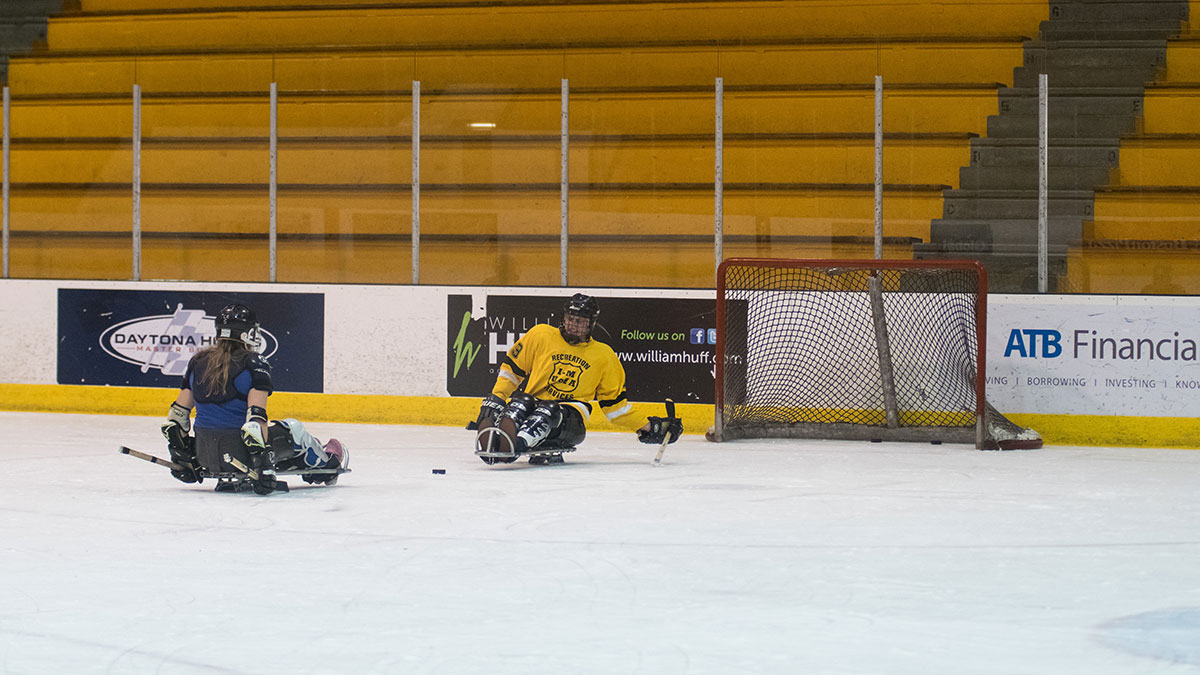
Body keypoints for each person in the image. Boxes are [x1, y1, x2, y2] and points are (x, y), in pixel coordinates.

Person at [473, 293, 683, 465]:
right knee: (521, 403)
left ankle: (514, 446)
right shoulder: (541, 335)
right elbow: (512, 370)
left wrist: (652, 427)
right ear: (563, 318)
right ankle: (497, 440)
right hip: (535, 405)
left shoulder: (604, 355)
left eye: (580, 322)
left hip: (571, 422)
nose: (573, 325)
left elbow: (616, 409)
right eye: (570, 319)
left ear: (591, 324)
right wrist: (498, 397)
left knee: (549, 409)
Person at [160, 303, 347, 494]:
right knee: (294, 429)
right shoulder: (253, 363)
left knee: (279, 435)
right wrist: (263, 465)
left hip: (206, 455)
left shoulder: (197, 362)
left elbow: (176, 418)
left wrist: (182, 458)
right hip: (242, 456)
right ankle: (326, 465)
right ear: (247, 333)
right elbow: (256, 421)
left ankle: (294, 458)